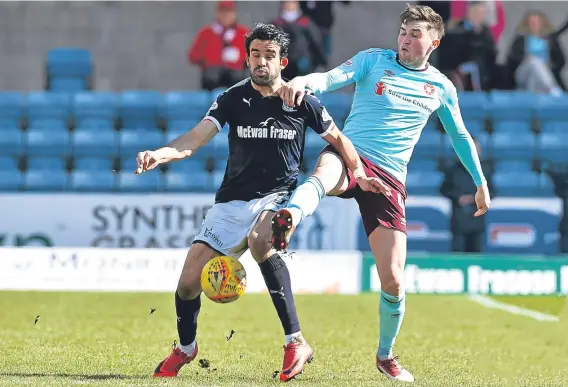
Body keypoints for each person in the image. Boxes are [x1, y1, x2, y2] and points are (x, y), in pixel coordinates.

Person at [136, 23, 379, 382]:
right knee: (188, 283)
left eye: (268, 56)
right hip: (231, 202)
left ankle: (295, 341)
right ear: (248, 58)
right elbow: (197, 137)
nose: (260, 61)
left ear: (282, 61)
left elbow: (340, 140)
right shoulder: (233, 98)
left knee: (261, 240)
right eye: (255, 54)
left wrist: (359, 174)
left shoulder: (302, 101)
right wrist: (163, 153)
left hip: (277, 197)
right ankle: (186, 348)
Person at [270, 4, 491, 383]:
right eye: (403, 31)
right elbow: (330, 77)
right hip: (351, 153)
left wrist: (480, 181)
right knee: (326, 171)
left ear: (434, 41)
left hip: (389, 178)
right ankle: (288, 216)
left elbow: (459, 135)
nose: (405, 38)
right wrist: (303, 81)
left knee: (392, 279)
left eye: (415, 33)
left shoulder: (440, 86)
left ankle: (386, 356)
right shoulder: (374, 60)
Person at [440, 137, 494, 253]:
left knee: (476, 254)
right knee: (458, 253)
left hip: (477, 219)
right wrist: (458, 197)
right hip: (459, 219)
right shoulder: (454, 169)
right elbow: (444, 189)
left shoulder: (484, 169)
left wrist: (477, 198)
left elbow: (492, 191)